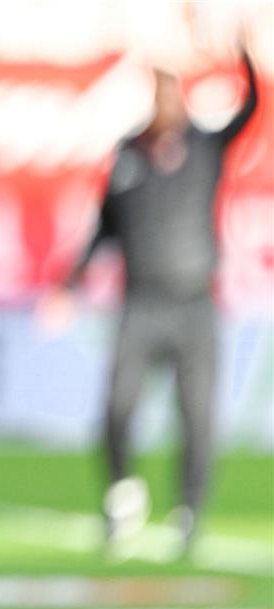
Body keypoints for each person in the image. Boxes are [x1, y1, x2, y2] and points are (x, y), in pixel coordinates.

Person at [54, 46, 257, 557]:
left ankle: (189, 509)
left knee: (197, 416)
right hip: (142, 303)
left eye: (172, 94)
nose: (166, 104)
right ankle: (123, 494)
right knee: (118, 406)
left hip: (194, 306)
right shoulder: (129, 153)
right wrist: (69, 283)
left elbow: (252, 106)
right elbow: (104, 226)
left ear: (183, 100)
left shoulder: (205, 147)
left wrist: (243, 50)